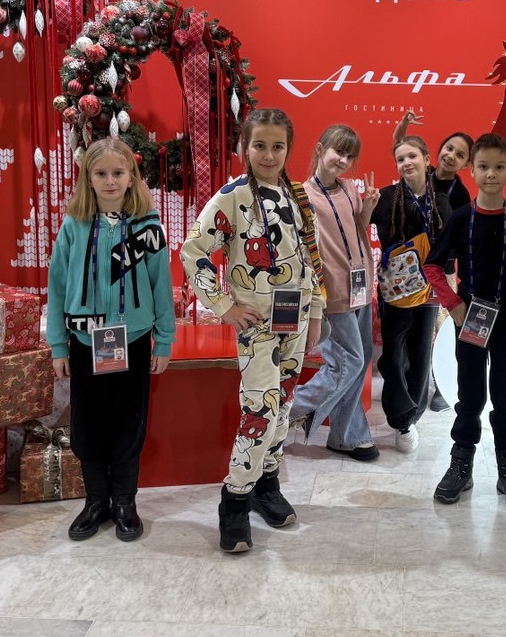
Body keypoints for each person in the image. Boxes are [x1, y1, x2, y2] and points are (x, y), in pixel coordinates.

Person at [181, 108, 325, 554]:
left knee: (283, 408)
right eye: (259, 145)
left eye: (277, 146)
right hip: (258, 326)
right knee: (259, 411)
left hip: (295, 322)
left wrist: (316, 313)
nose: (268, 154)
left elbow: (312, 260)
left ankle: (267, 484)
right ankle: (235, 501)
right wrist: (224, 305)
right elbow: (193, 250)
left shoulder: (298, 197)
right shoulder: (232, 197)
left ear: (289, 149)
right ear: (245, 147)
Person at [47, 137, 174, 543]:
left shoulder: (148, 227)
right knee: (88, 426)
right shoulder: (74, 226)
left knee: (128, 423)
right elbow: (57, 285)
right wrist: (58, 344)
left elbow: (161, 285)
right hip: (85, 343)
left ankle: (124, 501)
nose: (110, 181)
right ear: (88, 179)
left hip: (132, 340)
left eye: (118, 173)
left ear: (132, 177)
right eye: (100, 173)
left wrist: (164, 340)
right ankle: (96, 501)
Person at [423, 133, 506, 508]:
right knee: (470, 395)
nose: (491, 174)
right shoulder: (460, 218)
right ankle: (461, 464)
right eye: (484, 167)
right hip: (470, 319)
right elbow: (432, 265)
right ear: (471, 170)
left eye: (499, 167)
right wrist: (454, 305)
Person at [291, 124, 381, 462]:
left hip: (361, 285)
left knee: (360, 361)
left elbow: (358, 230)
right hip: (332, 292)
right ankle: (287, 408)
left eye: (349, 156)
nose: (343, 160)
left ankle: (346, 435)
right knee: (348, 361)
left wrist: (367, 208)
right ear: (320, 149)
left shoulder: (348, 189)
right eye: (338, 151)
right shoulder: (301, 196)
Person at [370, 135, 452, 451]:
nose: (406, 163)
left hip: (428, 291)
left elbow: (450, 248)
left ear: (427, 159)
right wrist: (365, 208)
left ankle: (408, 421)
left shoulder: (440, 201)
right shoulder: (386, 197)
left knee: (420, 356)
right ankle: (401, 417)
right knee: (393, 356)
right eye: (400, 159)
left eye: (412, 156)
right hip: (395, 292)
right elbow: (359, 227)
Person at [393, 110, 474, 411]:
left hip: (441, 270)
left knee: (442, 329)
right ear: (437, 151)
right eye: (449, 148)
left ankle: (442, 387)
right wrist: (403, 126)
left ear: (466, 164)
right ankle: (408, 384)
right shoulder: (421, 173)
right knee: (409, 327)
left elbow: (461, 236)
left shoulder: (460, 194)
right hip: (409, 265)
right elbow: (400, 148)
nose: (451, 156)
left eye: (460, 154)